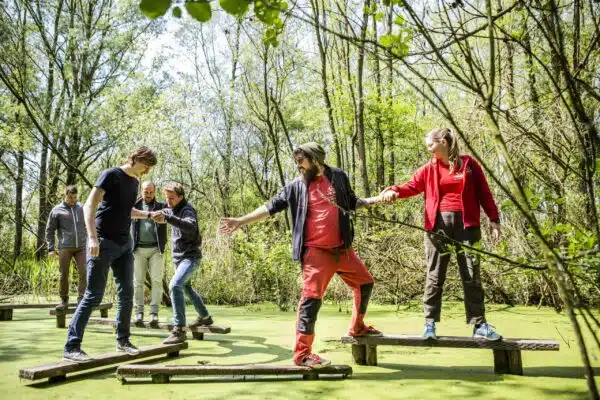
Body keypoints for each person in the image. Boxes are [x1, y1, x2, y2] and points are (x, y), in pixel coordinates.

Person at [220, 142, 382, 368]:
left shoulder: (338, 177)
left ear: (316, 160)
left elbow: (352, 201)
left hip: (343, 249)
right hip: (316, 253)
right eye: (297, 162)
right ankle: (302, 354)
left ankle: (357, 327)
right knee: (311, 300)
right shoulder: (295, 187)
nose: (298, 166)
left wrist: (375, 199)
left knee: (365, 283)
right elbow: (270, 207)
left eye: (301, 161)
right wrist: (241, 220)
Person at [380, 128, 502, 341]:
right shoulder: (429, 169)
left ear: (443, 143)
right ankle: (429, 325)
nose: (428, 149)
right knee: (435, 276)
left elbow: (484, 192)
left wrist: (494, 219)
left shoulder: (469, 165)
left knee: (471, 275)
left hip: (467, 227)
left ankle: (479, 325)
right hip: (437, 227)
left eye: (431, 144)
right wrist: (394, 191)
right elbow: (411, 186)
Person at [63, 146, 158, 362]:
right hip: (103, 242)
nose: (147, 171)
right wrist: (92, 238)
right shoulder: (111, 175)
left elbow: (126, 211)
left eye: (149, 168)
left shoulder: (134, 183)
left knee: (127, 293)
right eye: (146, 166)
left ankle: (123, 341)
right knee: (94, 295)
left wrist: (149, 215)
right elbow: (89, 205)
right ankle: (72, 346)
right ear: (136, 159)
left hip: (124, 244)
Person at [153, 183, 213, 344]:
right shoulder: (169, 208)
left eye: (172, 198)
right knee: (186, 288)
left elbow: (190, 227)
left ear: (181, 197)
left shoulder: (187, 210)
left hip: (190, 258)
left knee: (175, 285)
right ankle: (205, 317)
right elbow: (156, 210)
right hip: (178, 259)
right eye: (167, 198)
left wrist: (168, 218)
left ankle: (179, 329)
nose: (168, 201)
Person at [132, 181, 167, 327]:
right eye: (146, 192)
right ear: (142, 191)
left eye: (151, 192)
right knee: (138, 282)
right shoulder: (133, 206)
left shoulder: (162, 207)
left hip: (156, 250)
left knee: (157, 281)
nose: (148, 195)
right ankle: (138, 312)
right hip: (138, 250)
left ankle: (154, 313)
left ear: (155, 192)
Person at [46, 185, 87, 309]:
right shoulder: (56, 210)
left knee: (84, 272)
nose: (73, 200)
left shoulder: (82, 208)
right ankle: (64, 300)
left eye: (75, 197)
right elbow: (49, 230)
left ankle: (81, 299)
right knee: (63, 274)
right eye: (70, 197)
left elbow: (89, 224)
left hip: (82, 247)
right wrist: (51, 248)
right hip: (65, 247)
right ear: (64, 196)